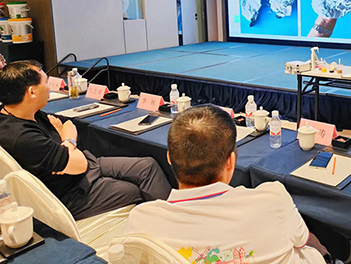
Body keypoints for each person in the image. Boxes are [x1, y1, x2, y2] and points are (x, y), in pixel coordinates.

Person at [127, 104, 332, 264]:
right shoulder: (272, 199)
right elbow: (303, 241)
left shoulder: (141, 221)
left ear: (169, 158)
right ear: (231, 161)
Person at [0, 60, 171, 220]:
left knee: (147, 166)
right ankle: (169, 225)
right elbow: (78, 162)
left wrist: (66, 145)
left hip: (83, 168)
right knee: (134, 189)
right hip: (71, 193)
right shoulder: (22, 137)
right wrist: (68, 142)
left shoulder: (24, 111)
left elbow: (67, 124)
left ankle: (174, 219)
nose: (49, 88)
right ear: (32, 92)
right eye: (45, 83)